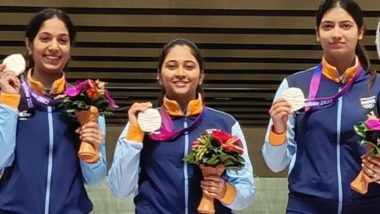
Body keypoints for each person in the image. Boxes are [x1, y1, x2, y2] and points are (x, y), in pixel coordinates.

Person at [108, 38, 255, 213]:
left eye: (189, 66)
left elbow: (247, 190)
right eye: (171, 66)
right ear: (159, 76)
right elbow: (120, 189)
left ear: (201, 76)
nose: (180, 73)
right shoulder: (142, 123)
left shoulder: (225, 123)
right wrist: (134, 135)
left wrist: (224, 192)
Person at [262, 0, 380, 213]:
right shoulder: (294, 86)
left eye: (345, 25)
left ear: (360, 31)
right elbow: (275, 163)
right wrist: (277, 129)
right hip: (307, 206)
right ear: (317, 34)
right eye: (327, 26)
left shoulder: (377, 86)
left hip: (369, 205)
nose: (336, 33)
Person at [0, 8, 107, 213]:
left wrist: (92, 157)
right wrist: (8, 102)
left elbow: (95, 179)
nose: (54, 47)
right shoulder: (9, 97)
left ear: (70, 49)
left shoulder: (86, 103)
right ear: (29, 45)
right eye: (45, 38)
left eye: (63, 40)